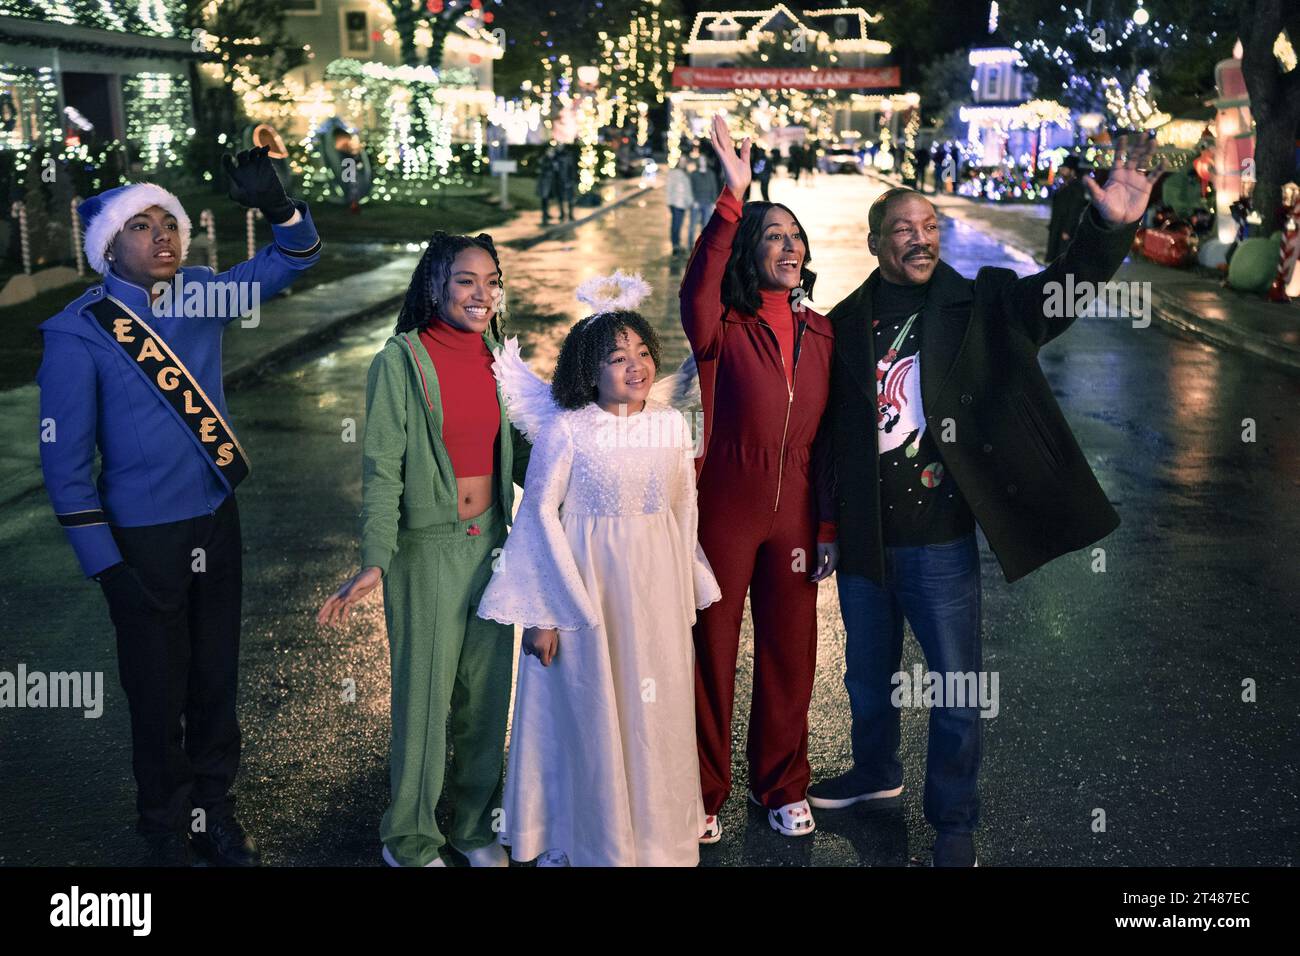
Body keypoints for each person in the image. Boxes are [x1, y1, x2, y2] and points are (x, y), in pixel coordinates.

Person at [812, 133, 1164, 867]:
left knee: (956, 687)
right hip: (866, 536)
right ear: (875, 242)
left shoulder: (984, 302)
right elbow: (824, 435)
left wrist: (1109, 229)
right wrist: (822, 525)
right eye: (903, 229)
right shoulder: (841, 324)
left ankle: (954, 817)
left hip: (940, 538)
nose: (920, 239)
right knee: (864, 675)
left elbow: (1061, 292)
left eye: (929, 226)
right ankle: (876, 773)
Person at [36, 145, 321, 866]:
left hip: (215, 523)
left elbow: (294, 259)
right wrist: (106, 568)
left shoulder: (198, 294)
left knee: (214, 676)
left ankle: (213, 811)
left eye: (170, 223)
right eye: (142, 226)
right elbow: (65, 469)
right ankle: (165, 824)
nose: (163, 235)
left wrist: (281, 206)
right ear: (109, 249)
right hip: (141, 540)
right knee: (158, 690)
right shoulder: (77, 332)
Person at [477, 273, 720, 866]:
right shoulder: (567, 430)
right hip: (583, 595)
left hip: (655, 592)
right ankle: (586, 834)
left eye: (641, 352)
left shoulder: (667, 424)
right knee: (588, 709)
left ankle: (656, 835)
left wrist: (684, 585)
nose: (634, 365)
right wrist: (543, 612)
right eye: (617, 356)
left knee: (652, 714)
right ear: (589, 370)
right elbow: (537, 513)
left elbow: (683, 505)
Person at [316, 232, 533, 868]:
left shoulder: (499, 359)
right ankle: (408, 841)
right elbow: (383, 467)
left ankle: (471, 827)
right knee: (426, 702)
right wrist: (375, 559)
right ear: (435, 285)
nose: (482, 293)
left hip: (492, 544)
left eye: (491, 281)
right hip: (426, 551)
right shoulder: (400, 361)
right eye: (466, 280)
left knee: (486, 699)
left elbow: (523, 453)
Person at [681, 114, 838, 843]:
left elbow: (836, 437)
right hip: (726, 509)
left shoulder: (825, 331)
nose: (790, 246)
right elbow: (698, 288)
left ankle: (782, 784)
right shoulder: (723, 327)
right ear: (751, 249)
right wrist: (731, 199)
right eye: (774, 236)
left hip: (799, 513)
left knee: (790, 653)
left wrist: (828, 524)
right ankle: (703, 791)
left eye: (796, 238)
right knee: (710, 651)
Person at [1046, 155, 1090, 261]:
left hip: (1065, 230)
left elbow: (1074, 211)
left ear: (1072, 171)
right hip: (1057, 227)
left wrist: (1067, 230)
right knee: (1055, 260)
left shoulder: (1077, 188)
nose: (1061, 170)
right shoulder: (1065, 185)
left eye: (1065, 168)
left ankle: (1064, 278)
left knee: (1064, 259)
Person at [666, 158, 693, 254]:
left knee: (679, 225)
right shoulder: (673, 173)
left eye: (685, 162)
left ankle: (677, 244)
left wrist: (690, 202)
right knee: (676, 225)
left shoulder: (687, 174)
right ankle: (675, 245)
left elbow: (688, 190)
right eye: (681, 162)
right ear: (678, 163)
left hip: (684, 204)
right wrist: (669, 202)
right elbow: (669, 188)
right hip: (676, 203)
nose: (683, 164)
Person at [688, 151, 714, 248]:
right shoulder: (694, 174)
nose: (702, 162)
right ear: (698, 162)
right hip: (696, 202)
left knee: (705, 225)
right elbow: (691, 188)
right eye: (700, 160)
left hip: (707, 202)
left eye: (704, 160)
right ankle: (690, 245)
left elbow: (714, 187)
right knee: (693, 225)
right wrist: (694, 200)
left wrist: (713, 202)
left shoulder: (711, 174)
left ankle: (702, 245)